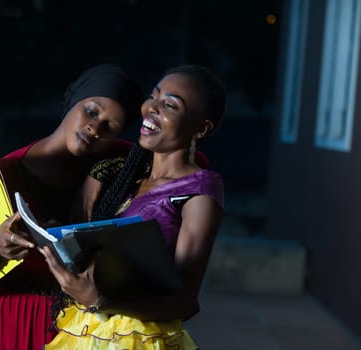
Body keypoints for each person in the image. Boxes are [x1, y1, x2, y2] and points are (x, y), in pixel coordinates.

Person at [0, 63, 144, 350]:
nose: (94, 127)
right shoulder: (0, 174)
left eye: (110, 126)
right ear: (73, 102)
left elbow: (190, 161)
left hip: (75, 333)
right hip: (4, 329)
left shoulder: (114, 159)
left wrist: (98, 172)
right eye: (91, 110)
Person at [40, 64, 226, 349]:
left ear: (201, 129)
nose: (151, 108)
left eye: (170, 105)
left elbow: (185, 302)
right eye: (154, 96)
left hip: (139, 339)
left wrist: (100, 300)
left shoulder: (198, 190)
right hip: (88, 331)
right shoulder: (129, 178)